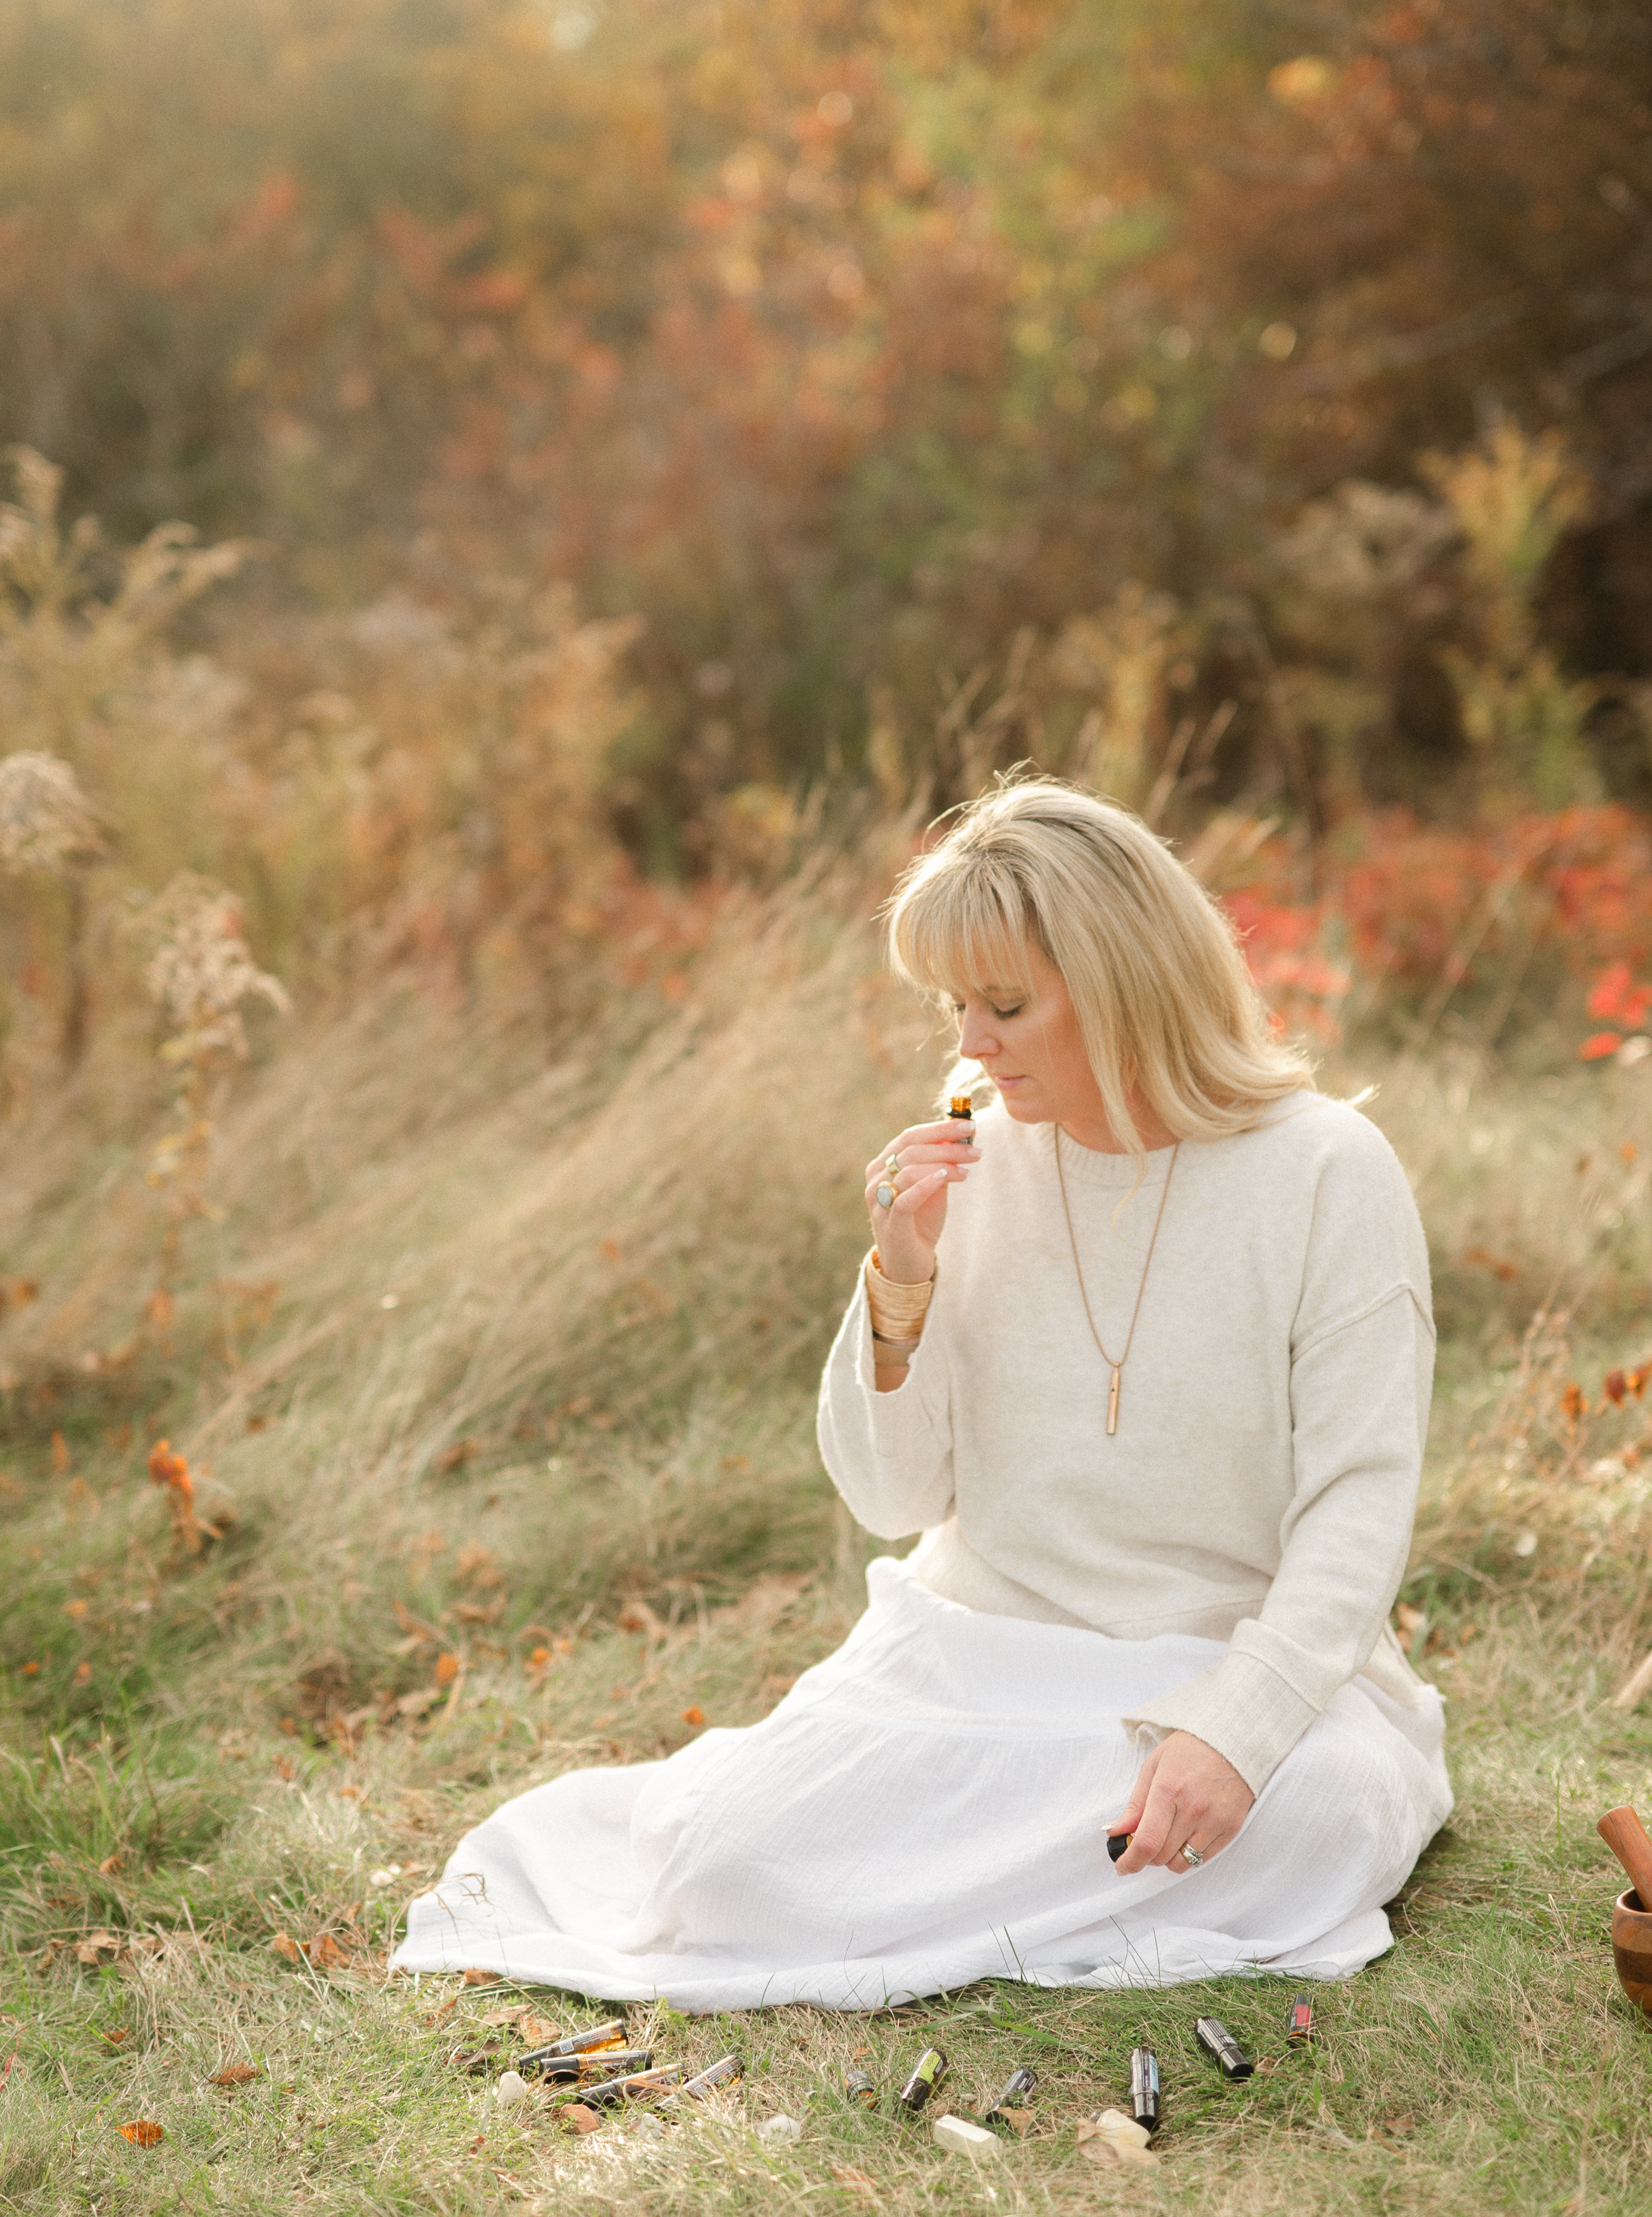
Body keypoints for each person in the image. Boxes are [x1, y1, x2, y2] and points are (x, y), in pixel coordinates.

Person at [393, 775, 1449, 2009]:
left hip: (1221, 1661)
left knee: (1330, 1807)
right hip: (979, 1661)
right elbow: (893, 1495)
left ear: (1126, 982)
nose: (969, 1046)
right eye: (955, 1006)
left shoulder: (1328, 1169)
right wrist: (903, 1275)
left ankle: (1016, 1863)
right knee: (717, 1867)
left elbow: (1359, 1502)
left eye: (1006, 1004)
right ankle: (1082, 1878)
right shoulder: (969, 1167)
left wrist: (1238, 1728)